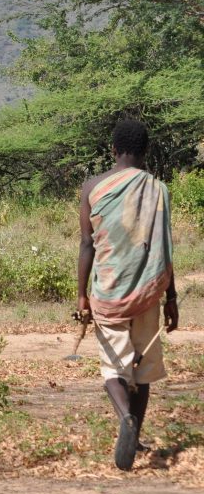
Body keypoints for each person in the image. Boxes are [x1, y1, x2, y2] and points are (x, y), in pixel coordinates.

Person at [77, 118, 179, 471]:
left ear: (113, 150)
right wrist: (172, 298)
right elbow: (165, 248)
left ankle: (125, 420)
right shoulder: (158, 188)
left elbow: (86, 245)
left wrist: (81, 296)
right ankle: (134, 435)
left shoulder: (92, 187)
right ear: (145, 151)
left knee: (113, 366)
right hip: (150, 292)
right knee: (143, 370)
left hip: (108, 292)